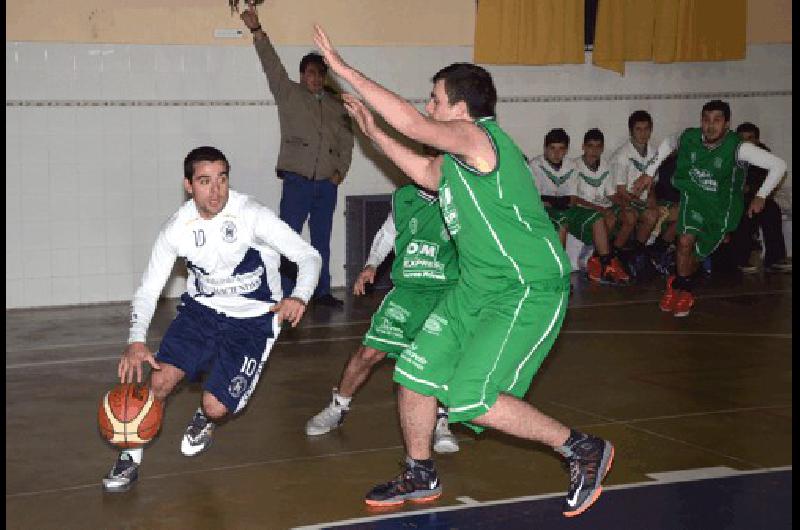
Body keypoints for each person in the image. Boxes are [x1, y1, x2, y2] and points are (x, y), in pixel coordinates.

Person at [313, 26, 614, 518]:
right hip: (475, 289)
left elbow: (412, 124)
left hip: (524, 290)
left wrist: (343, 70)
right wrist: (372, 134)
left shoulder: (480, 138)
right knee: (413, 373)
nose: (428, 107)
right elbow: (423, 170)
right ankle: (419, 471)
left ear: (459, 107)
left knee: (472, 400)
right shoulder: (456, 163)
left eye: (435, 100)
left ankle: (582, 449)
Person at [102, 146, 322, 492]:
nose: (216, 190)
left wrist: (300, 295)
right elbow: (148, 290)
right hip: (200, 313)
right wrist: (136, 339)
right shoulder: (178, 227)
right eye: (205, 181)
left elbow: (308, 256)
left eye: (222, 179)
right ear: (189, 186)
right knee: (157, 384)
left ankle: (206, 418)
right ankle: (130, 457)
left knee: (217, 406)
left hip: (253, 321)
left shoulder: (250, 214)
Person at [305, 183, 460, 454]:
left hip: (445, 291)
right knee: (368, 353)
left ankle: (441, 420)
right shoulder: (404, 198)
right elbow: (387, 234)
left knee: (443, 358)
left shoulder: (460, 197)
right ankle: (338, 407)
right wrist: (370, 265)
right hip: (407, 292)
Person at [239, 3, 354, 307]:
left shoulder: (335, 105)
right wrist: (257, 30)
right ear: (302, 75)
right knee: (287, 239)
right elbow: (271, 64)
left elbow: (347, 140)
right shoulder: (288, 94)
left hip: (326, 185)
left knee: (321, 241)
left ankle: (322, 290)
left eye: (320, 74)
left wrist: (339, 172)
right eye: (310, 73)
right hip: (297, 182)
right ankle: (285, 292)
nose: (315, 78)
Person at [633, 100, 787, 317]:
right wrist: (650, 171)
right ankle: (683, 291)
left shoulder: (739, 148)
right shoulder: (690, 137)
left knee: (694, 257)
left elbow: (779, 165)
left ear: (726, 123)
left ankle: (678, 281)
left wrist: (761, 196)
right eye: (706, 119)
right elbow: (669, 142)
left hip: (722, 211)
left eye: (717, 120)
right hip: (694, 198)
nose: (710, 125)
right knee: (684, 242)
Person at [563, 128, 630, 284]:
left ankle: (600, 258)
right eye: (590, 146)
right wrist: (599, 208)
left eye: (598, 146)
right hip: (582, 208)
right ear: (583, 147)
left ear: (602, 148)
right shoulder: (574, 166)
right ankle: (602, 260)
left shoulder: (605, 165)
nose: (594, 150)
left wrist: (626, 204)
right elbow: (573, 198)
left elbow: (610, 194)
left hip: (602, 206)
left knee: (628, 215)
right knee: (607, 217)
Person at [730, 122, 791, 273]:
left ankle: (775, 259)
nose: (746, 142)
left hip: (758, 197)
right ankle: (741, 260)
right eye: (742, 139)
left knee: (771, 210)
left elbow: (770, 181)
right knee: (743, 214)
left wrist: (753, 191)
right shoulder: (730, 152)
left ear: (757, 140)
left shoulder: (764, 154)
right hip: (735, 199)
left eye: (750, 138)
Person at [610, 110, 661, 272]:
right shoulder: (622, 155)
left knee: (653, 214)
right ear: (631, 131)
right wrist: (641, 202)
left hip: (640, 201)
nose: (643, 133)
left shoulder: (654, 153)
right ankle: (612, 256)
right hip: (618, 199)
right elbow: (619, 190)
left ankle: (636, 254)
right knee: (631, 217)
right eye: (638, 129)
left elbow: (652, 184)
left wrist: (651, 197)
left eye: (646, 129)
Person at [528, 128, 574, 248]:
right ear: (545, 148)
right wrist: (559, 202)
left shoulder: (571, 165)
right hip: (542, 209)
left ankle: (605, 259)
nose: (556, 153)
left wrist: (560, 202)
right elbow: (537, 199)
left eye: (561, 148)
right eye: (552, 148)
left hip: (565, 206)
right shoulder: (535, 165)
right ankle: (561, 263)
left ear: (566, 150)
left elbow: (573, 197)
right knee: (561, 221)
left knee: (598, 218)